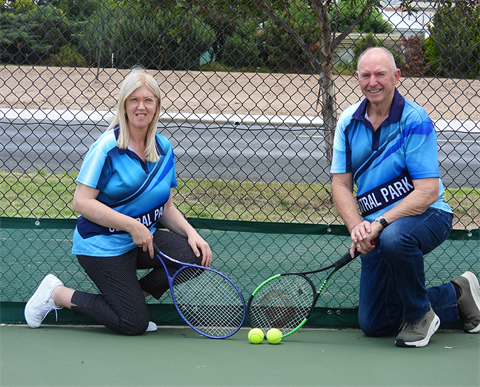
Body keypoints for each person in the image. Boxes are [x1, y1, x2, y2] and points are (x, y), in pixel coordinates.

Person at [24, 67, 212, 335]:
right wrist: (132, 226)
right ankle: (57, 293)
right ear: (124, 105)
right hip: (101, 244)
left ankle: (132, 299)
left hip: (141, 241)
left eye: (148, 100)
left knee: (196, 256)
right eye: (134, 99)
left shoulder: (163, 148)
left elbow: (167, 206)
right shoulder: (105, 148)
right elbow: (81, 202)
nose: (141, 107)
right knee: (132, 324)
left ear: (157, 106)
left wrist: (193, 234)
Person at [330, 47, 480, 347]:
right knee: (375, 323)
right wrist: (357, 228)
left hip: (429, 215)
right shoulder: (347, 121)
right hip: (377, 229)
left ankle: (419, 317)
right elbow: (341, 185)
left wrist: (380, 223)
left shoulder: (415, 119)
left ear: (396, 76)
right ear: (357, 78)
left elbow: (427, 191)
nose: (373, 81)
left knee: (395, 237)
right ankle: (457, 294)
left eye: (381, 74)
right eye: (366, 75)